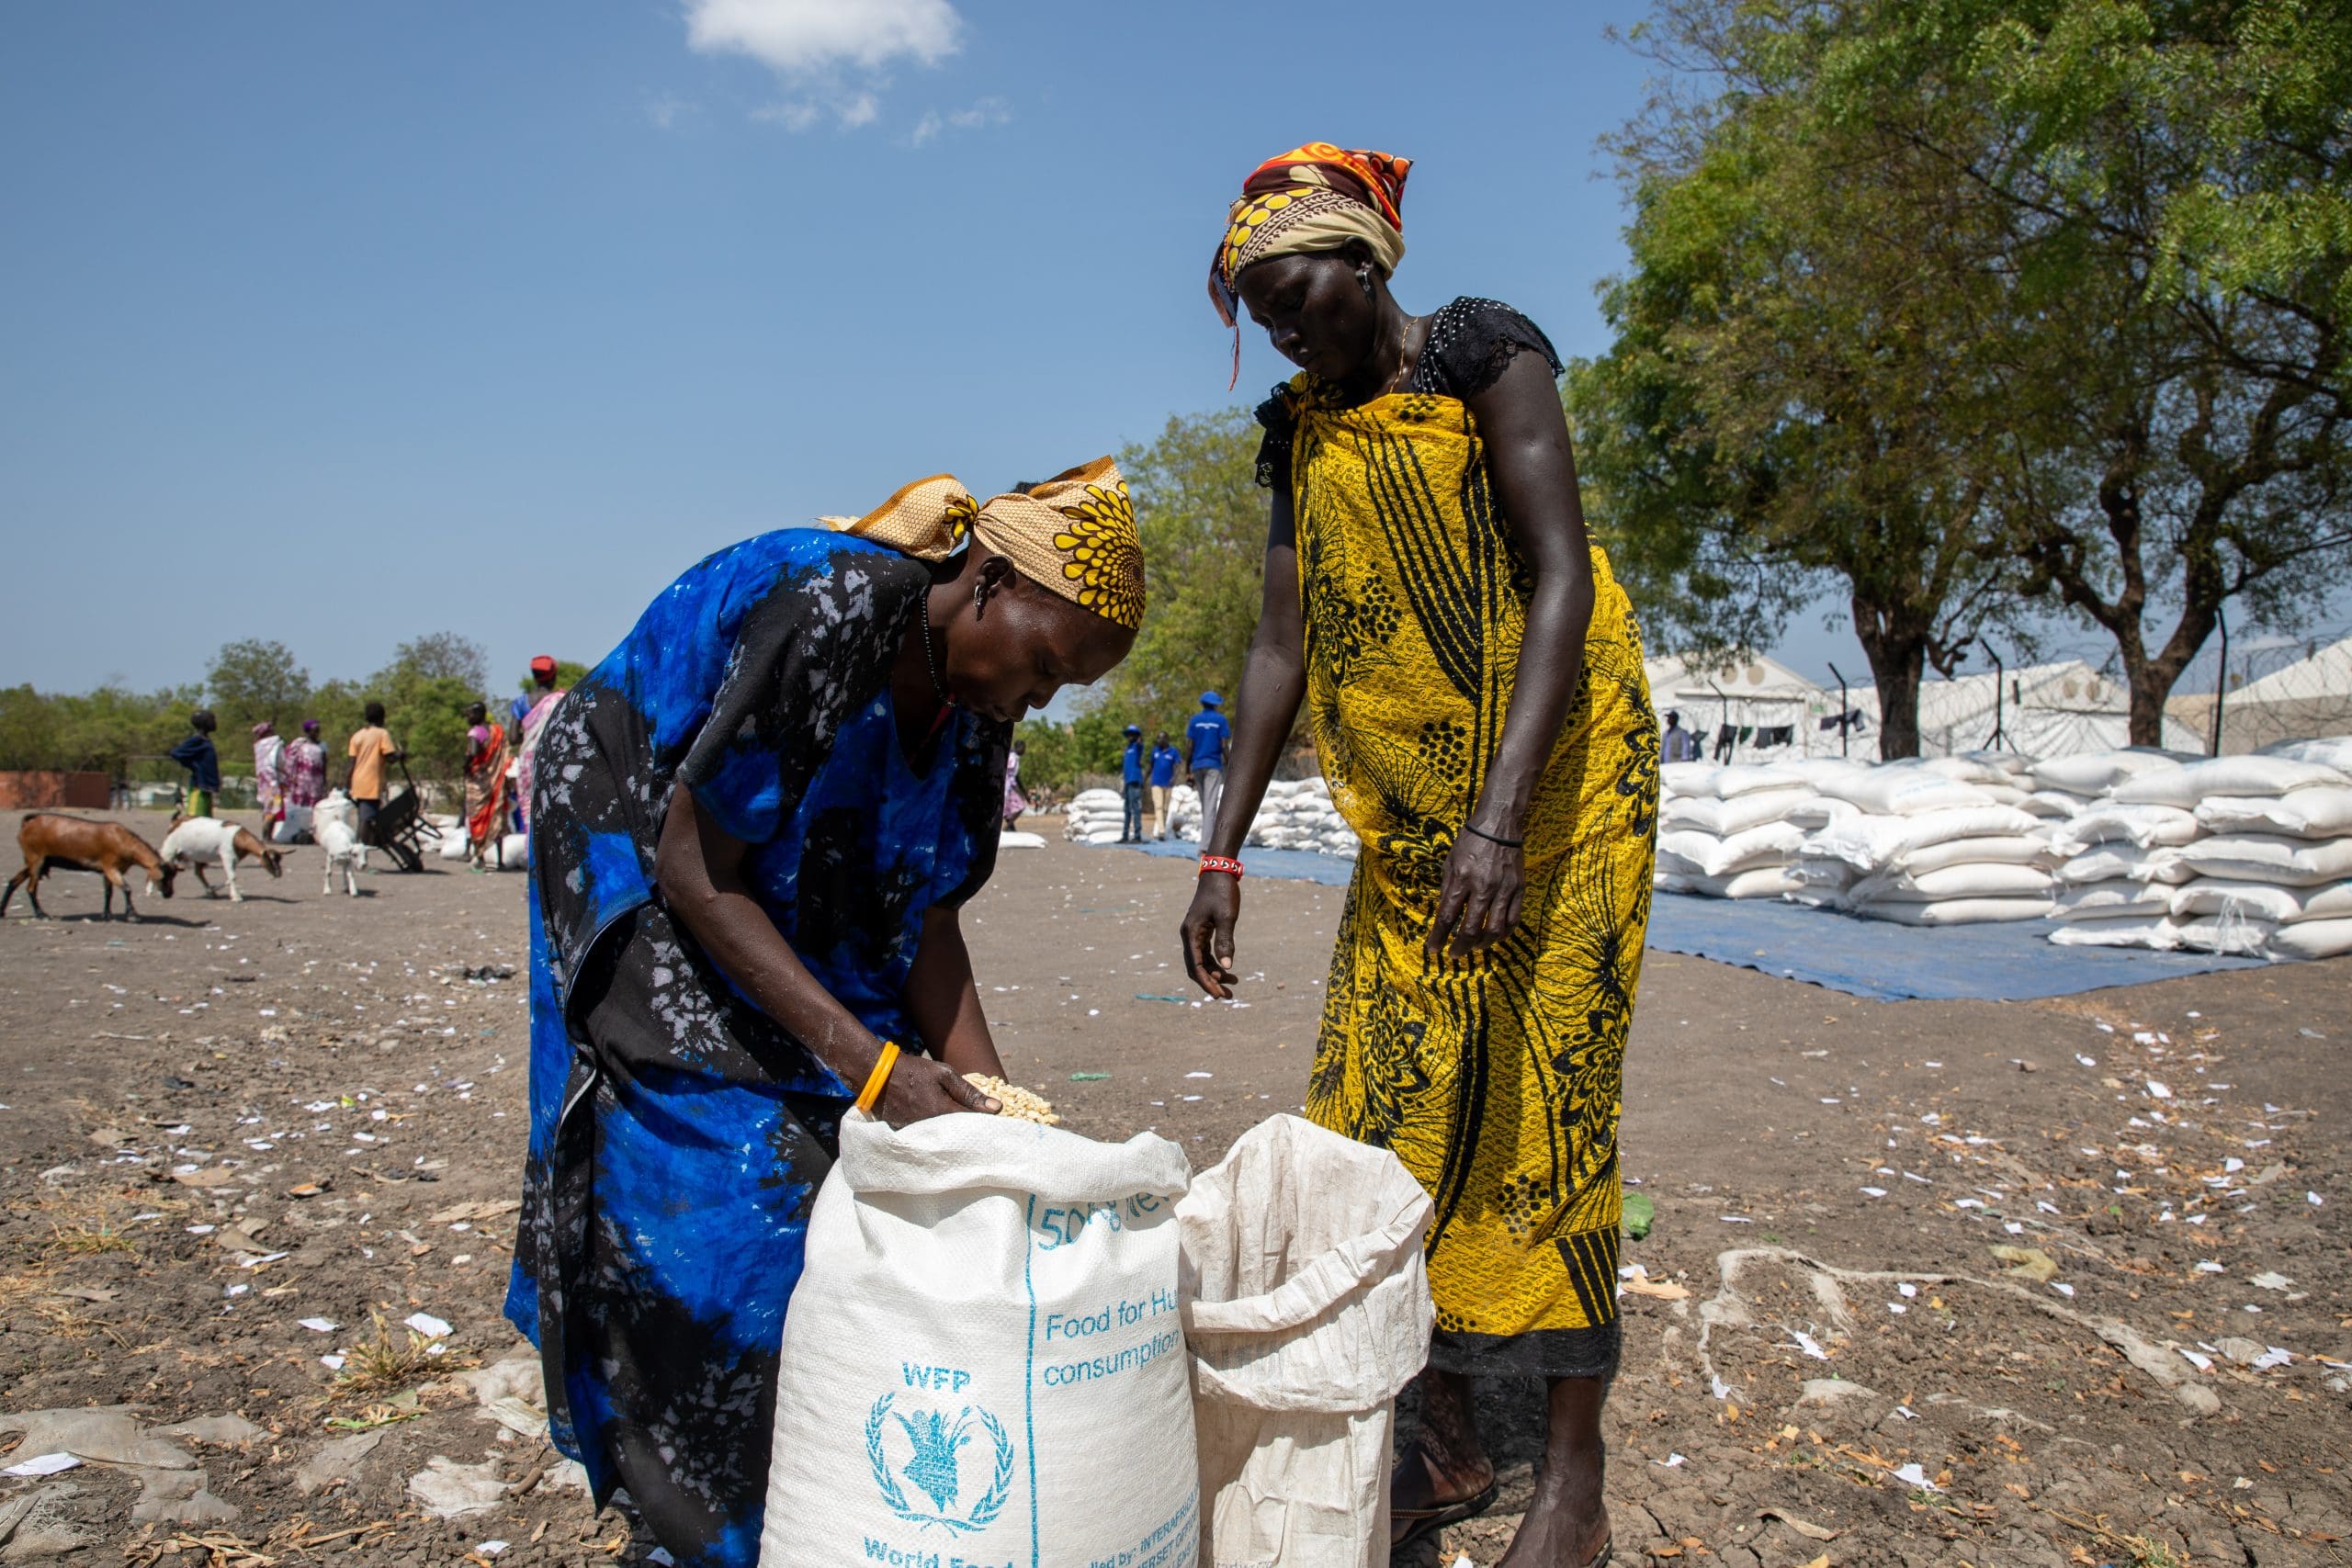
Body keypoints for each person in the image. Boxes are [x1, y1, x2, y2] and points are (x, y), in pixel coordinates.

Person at [506, 458, 1144, 1568]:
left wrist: (994, 1116)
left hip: (752, 870)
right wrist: (875, 1067)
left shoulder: (976, 695)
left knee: (842, 1138)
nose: (1037, 699)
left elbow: (922, 914)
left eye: (1061, 690)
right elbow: (698, 871)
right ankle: (696, 1525)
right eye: (1044, 665)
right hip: (640, 826)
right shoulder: (834, 607)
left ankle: (790, 1493)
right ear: (990, 582)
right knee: (728, 1155)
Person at [1184, 142, 1659, 1568]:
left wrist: (1502, 818)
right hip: (1409, 833)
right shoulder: (1297, 426)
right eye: (1258, 311)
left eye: (1293, 295)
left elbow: (1560, 571)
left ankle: (1571, 1481)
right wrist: (1221, 854)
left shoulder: (1481, 352)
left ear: (1364, 263)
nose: (1282, 327)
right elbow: (1283, 642)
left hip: (1556, 794)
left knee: (1543, 1092)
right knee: (1383, 1099)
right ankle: (1435, 1418)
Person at [513, 655, 568, 834]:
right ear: (553, 675)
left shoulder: (521, 703)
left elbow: (513, 737)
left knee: (529, 811)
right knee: (553, 808)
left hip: (527, 766)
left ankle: (532, 857)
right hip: (554, 762)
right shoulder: (560, 699)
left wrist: (529, 734)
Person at [463, 701, 511, 869]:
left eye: (470, 714)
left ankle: (480, 858)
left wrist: (466, 764)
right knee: (496, 817)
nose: (468, 717)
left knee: (478, 818)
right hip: (496, 781)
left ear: (479, 714)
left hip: (479, 782)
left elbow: (474, 751)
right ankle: (500, 861)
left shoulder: (476, 732)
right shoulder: (496, 730)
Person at [345, 702, 401, 844]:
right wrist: (400, 755)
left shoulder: (357, 736)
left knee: (364, 816)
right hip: (371, 783)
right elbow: (390, 758)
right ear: (382, 717)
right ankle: (360, 848)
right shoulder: (382, 734)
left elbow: (351, 763)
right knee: (366, 819)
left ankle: (362, 845)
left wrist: (347, 785)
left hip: (358, 782)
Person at [1185, 691, 1232, 843]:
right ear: (1216, 704)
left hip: (1197, 766)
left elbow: (1189, 747)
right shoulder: (1220, 720)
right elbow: (1224, 745)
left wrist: (1187, 771)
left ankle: (1208, 840)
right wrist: (1231, 764)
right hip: (1213, 766)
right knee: (1210, 805)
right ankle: (1206, 846)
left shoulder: (1195, 720)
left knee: (1206, 805)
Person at [168, 711, 220, 818]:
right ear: (204, 723)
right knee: (194, 820)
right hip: (198, 788)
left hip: (206, 789)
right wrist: (194, 766)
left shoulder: (205, 741)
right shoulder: (198, 740)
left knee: (206, 822)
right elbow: (176, 753)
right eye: (212, 719)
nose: (214, 722)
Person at [281, 720, 328, 837]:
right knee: (300, 807)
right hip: (301, 782)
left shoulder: (322, 746)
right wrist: (291, 778)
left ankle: (312, 831)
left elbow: (324, 764)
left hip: (316, 782)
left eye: (318, 730)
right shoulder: (300, 745)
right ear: (308, 731)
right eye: (315, 730)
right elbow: (291, 762)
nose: (317, 732)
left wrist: (325, 781)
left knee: (315, 807)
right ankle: (299, 830)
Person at [251, 721, 286, 836]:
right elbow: (281, 761)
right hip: (273, 781)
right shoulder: (275, 743)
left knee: (268, 806)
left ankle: (267, 833)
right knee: (276, 805)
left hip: (262, 782)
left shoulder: (258, 745)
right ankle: (267, 832)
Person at [1148, 730, 1180, 840]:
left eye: (1160, 738)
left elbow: (1177, 766)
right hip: (1156, 783)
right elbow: (1150, 766)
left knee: (1165, 808)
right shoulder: (1155, 751)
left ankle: (1162, 829)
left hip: (1168, 784)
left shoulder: (1173, 752)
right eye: (1158, 738)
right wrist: (1145, 780)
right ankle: (1161, 832)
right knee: (1158, 806)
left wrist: (1174, 778)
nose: (1158, 740)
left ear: (1166, 739)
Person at [1120, 723, 1148, 841]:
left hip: (1135, 780)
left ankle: (1137, 835)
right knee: (1126, 809)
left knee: (1135, 808)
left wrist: (1139, 736)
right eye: (1129, 735)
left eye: (1132, 734)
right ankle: (1125, 835)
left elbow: (1141, 742)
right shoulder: (1127, 748)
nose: (1130, 736)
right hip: (1127, 782)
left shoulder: (1138, 746)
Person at [1003, 739, 1029, 828]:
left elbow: (1017, 777)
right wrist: (1018, 791)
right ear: (1018, 747)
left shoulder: (1015, 758)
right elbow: (1008, 775)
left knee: (1006, 810)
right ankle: (1007, 828)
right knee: (1020, 807)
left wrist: (1025, 793)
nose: (1024, 750)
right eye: (1023, 748)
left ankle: (1011, 828)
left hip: (1009, 787)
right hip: (1007, 787)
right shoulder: (1012, 758)